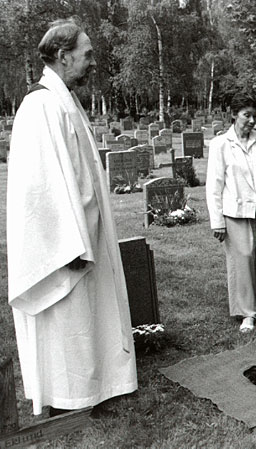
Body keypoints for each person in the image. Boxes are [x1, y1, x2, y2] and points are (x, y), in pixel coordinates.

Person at [6, 19, 137, 416]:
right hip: (64, 241)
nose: (94, 63)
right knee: (68, 321)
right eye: (88, 55)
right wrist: (68, 243)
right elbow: (38, 189)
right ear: (63, 57)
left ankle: (93, 388)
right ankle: (70, 397)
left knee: (89, 317)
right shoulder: (40, 106)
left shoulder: (64, 99)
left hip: (86, 230)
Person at [206, 93, 256, 333]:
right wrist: (217, 222)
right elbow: (214, 185)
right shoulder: (221, 144)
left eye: (255, 116)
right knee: (242, 260)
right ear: (233, 114)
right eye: (246, 115)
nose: (251, 120)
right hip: (235, 211)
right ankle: (246, 313)